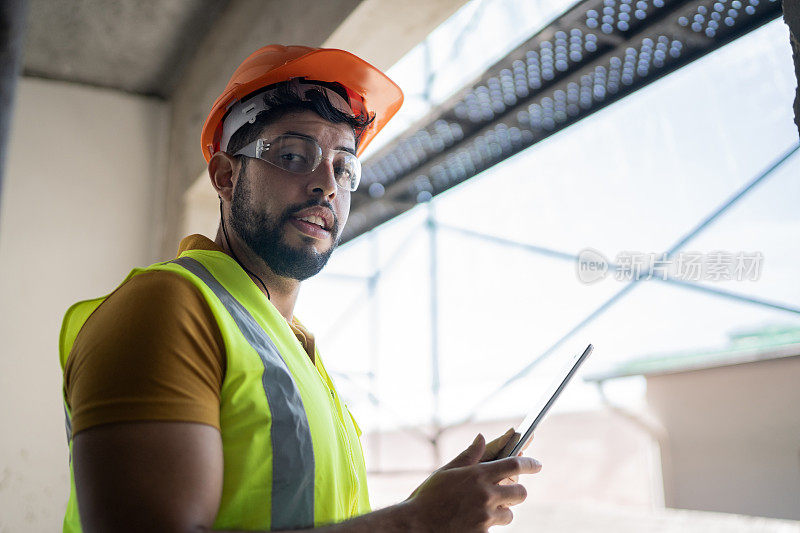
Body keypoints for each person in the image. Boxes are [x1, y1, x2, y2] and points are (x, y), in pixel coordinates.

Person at [58, 44, 541, 533]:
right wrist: (415, 523)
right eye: (293, 155)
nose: (327, 185)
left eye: (343, 167)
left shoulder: (291, 348)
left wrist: (428, 507)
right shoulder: (169, 308)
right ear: (226, 177)